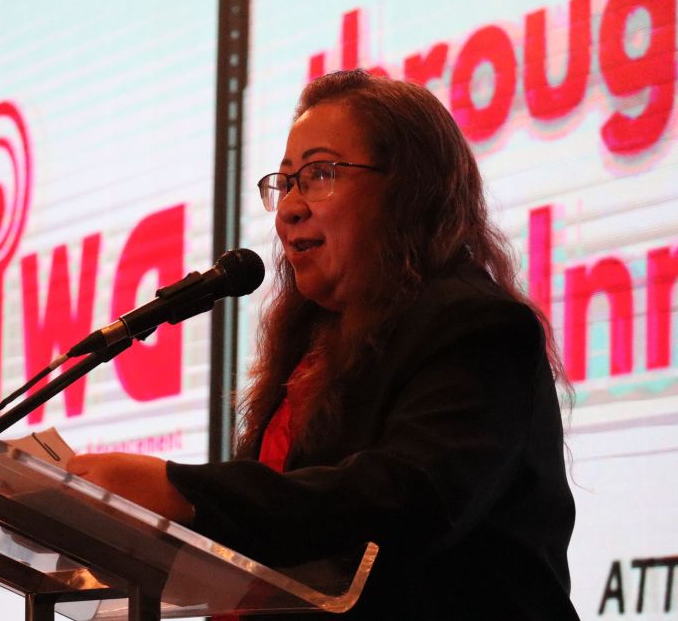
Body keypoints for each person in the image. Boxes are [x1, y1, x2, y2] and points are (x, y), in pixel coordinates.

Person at [67, 69, 578, 619]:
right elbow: (290, 539)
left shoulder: (477, 326)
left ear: (409, 191)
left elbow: (404, 498)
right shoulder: (315, 350)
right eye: (286, 182)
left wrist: (182, 492)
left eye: (319, 174)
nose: (290, 207)